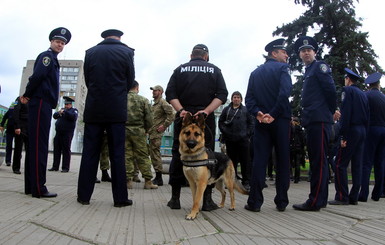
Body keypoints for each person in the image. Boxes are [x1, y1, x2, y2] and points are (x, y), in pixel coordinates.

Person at [165, 43, 228, 210]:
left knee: (178, 154)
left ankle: (175, 199)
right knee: (207, 155)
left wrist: (181, 110)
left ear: (191, 56)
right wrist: (206, 111)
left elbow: (170, 94)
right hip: (204, 119)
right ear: (206, 56)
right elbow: (222, 95)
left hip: (184, 117)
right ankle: (207, 201)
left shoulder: (180, 69)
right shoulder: (215, 70)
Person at [77, 29, 135, 207]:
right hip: (116, 109)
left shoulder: (91, 52)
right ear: (119, 37)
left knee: (89, 152)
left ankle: (84, 196)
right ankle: (120, 199)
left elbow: (88, 79)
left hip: (94, 108)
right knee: (117, 154)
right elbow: (129, 80)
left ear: (104, 37)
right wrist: (117, 93)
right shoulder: (127, 52)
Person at [20, 27, 72, 198]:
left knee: (35, 145)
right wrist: (27, 94)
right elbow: (36, 77)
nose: (60, 45)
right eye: (58, 41)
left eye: (63, 43)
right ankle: (38, 188)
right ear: (51, 41)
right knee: (39, 146)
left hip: (43, 103)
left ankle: (31, 186)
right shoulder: (47, 57)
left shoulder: (52, 59)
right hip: (40, 101)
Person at [244, 38, 292, 212]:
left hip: (261, 122)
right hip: (280, 121)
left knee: (259, 161)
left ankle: (254, 202)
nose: (286, 55)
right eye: (283, 52)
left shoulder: (255, 73)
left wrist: (258, 113)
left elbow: (248, 99)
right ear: (274, 53)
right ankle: (281, 201)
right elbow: (284, 93)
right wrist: (274, 113)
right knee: (283, 161)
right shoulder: (283, 69)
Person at [292, 36, 337, 211]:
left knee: (318, 161)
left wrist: (331, 111)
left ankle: (315, 200)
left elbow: (331, 90)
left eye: (309, 50)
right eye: (303, 51)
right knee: (319, 161)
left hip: (319, 120)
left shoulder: (319, 67)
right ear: (300, 55)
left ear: (315, 52)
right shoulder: (309, 70)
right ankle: (320, 198)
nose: (306, 53)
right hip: (314, 120)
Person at [329, 68, 369, 205]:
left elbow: (346, 114)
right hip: (362, 131)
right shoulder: (363, 94)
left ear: (348, 79)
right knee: (357, 164)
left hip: (351, 130)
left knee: (340, 163)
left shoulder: (347, 91)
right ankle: (354, 196)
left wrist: (342, 136)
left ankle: (342, 196)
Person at [219, 91, 254, 191]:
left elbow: (251, 123)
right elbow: (221, 122)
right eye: (234, 97)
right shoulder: (226, 110)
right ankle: (231, 180)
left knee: (245, 161)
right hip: (230, 140)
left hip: (243, 140)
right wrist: (226, 132)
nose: (236, 99)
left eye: (238, 97)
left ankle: (246, 181)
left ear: (241, 99)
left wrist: (247, 134)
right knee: (231, 162)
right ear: (232, 98)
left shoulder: (246, 110)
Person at [125, 81, 158, 189]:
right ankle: (148, 181)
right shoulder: (143, 100)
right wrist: (147, 130)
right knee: (143, 156)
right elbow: (149, 118)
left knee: (127, 156)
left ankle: (128, 181)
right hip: (139, 132)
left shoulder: (121, 98)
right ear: (137, 88)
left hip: (124, 131)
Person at [359, 72, 385, 202]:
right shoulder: (383, 97)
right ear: (378, 85)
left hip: (370, 130)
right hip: (383, 130)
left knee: (366, 162)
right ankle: (377, 193)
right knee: (380, 163)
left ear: (369, 85)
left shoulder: (365, 96)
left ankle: (363, 193)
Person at [148, 85, 175, 186]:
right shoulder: (155, 104)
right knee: (153, 154)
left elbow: (172, 114)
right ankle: (157, 176)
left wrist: (164, 126)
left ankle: (159, 178)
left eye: (156, 90)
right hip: (152, 133)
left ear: (161, 92)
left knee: (155, 154)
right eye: (153, 91)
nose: (153, 92)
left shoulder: (162, 102)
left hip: (157, 134)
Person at [49, 96, 78, 172]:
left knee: (66, 150)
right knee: (56, 149)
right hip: (58, 133)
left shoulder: (74, 111)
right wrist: (59, 112)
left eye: (67, 104)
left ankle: (65, 167)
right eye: (65, 104)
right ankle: (55, 166)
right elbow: (55, 116)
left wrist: (65, 112)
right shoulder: (62, 110)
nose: (66, 106)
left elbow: (73, 117)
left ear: (71, 105)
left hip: (67, 133)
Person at [12, 96, 29, 176]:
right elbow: (16, 112)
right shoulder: (19, 99)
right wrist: (17, 126)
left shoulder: (32, 100)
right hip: (21, 127)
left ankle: (29, 169)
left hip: (29, 128)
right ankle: (16, 167)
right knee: (18, 149)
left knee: (29, 150)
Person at [0, 99, 17, 166]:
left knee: (18, 146)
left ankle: (17, 158)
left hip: (18, 130)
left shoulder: (22, 110)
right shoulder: (11, 110)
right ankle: (8, 160)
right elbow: (4, 117)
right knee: (9, 146)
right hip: (10, 130)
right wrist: (2, 125)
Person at [289, 117, 306, 183]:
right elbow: (303, 139)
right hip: (299, 148)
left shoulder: (292, 128)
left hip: (292, 147)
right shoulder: (301, 129)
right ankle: (297, 178)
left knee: (290, 162)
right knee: (297, 163)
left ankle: (290, 175)